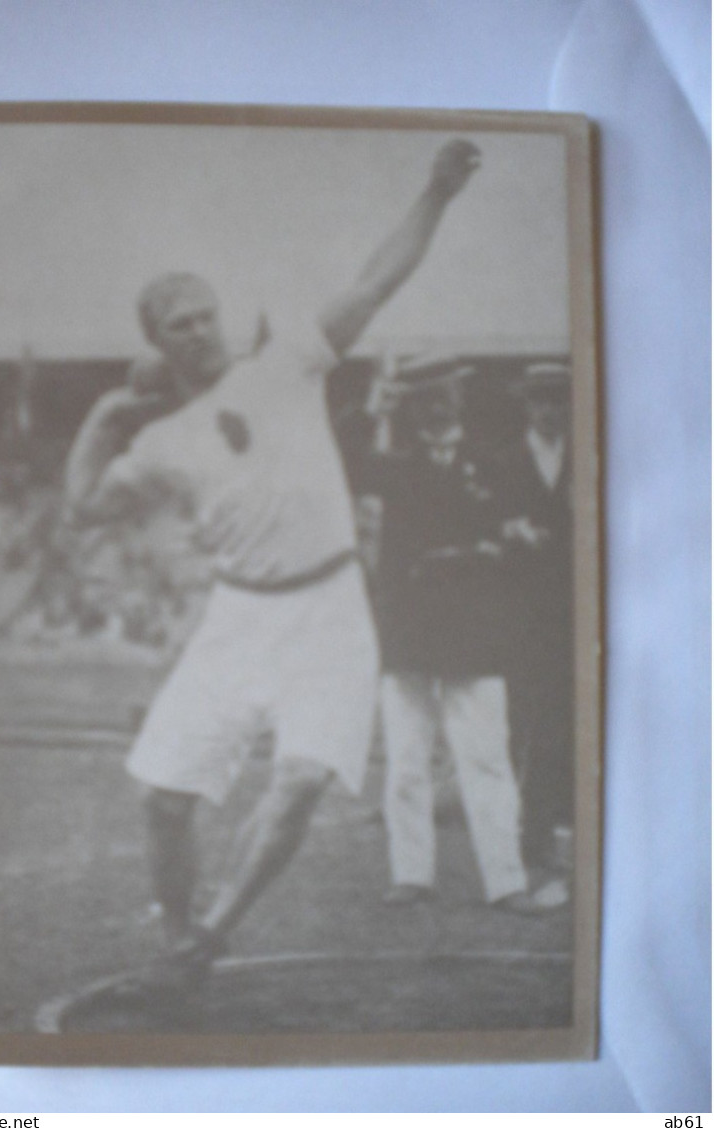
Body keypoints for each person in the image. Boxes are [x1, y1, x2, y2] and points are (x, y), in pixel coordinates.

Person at [63, 139, 482, 982]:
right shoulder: (159, 439)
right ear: (158, 340)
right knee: (161, 799)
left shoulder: (287, 359)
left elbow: (376, 280)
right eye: (177, 322)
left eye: (203, 312)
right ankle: (176, 928)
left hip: (330, 607)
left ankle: (214, 931)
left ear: (220, 315)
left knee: (299, 783)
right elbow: (84, 506)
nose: (196, 328)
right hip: (238, 615)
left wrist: (436, 193)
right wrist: (105, 417)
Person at [360, 373, 561, 914]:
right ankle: (411, 875)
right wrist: (374, 406)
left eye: (445, 395)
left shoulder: (496, 462)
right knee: (405, 758)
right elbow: (348, 461)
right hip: (410, 629)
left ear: (461, 399)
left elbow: (533, 534)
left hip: (476, 629)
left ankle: (507, 882)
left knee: (487, 759)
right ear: (414, 407)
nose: (437, 407)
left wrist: (507, 544)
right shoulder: (397, 464)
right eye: (425, 398)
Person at [499, 361, 574, 872]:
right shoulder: (501, 460)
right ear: (525, 403)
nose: (551, 407)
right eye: (541, 398)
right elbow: (478, 518)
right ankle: (512, 828)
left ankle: (543, 831)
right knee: (517, 721)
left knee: (559, 720)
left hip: (572, 610)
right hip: (517, 611)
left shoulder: (592, 452)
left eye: (560, 397)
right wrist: (510, 529)